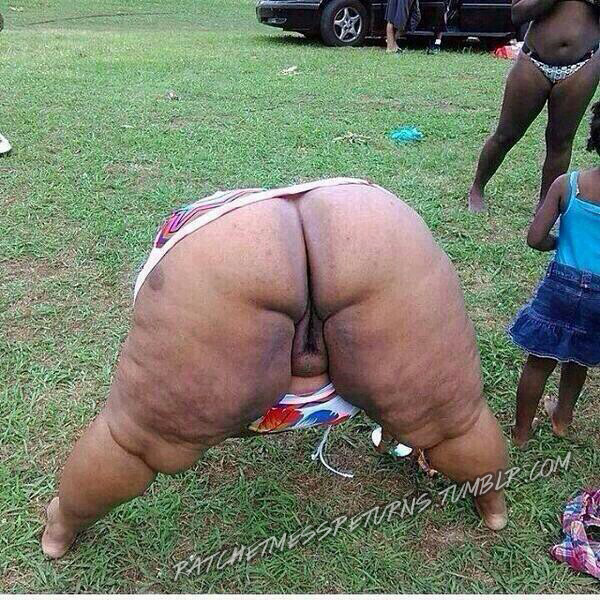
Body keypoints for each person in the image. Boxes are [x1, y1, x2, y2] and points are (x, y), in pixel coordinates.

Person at [41, 178, 509, 559]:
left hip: (219, 248)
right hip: (374, 224)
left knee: (134, 441)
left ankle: (62, 525)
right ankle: (492, 505)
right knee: (456, 421)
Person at [509, 103, 600, 448]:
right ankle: (562, 419)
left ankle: (521, 432)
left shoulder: (568, 184)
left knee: (539, 361)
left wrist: (559, 242)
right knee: (580, 358)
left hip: (561, 284)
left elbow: (535, 238)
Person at [468, 0, 600, 212]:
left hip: (585, 63)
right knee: (506, 134)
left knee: (560, 141)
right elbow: (518, 13)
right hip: (533, 62)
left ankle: (545, 206)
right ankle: (477, 188)